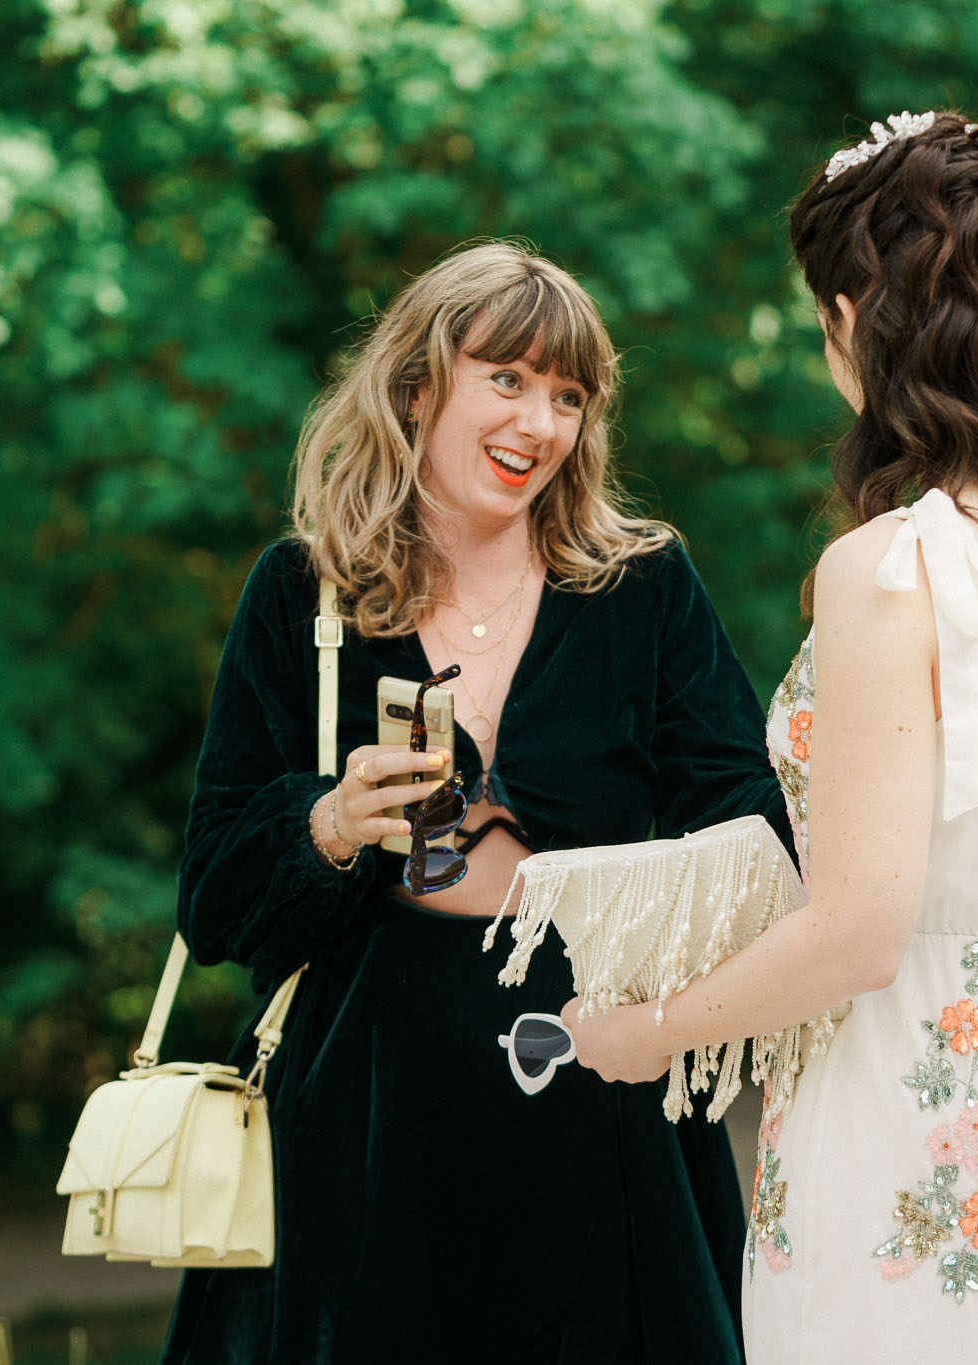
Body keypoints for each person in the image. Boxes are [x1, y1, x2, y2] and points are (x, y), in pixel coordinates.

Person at [564, 112, 978, 1362]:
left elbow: (860, 936)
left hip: (894, 1124)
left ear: (850, 319)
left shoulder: (894, 570)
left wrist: (638, 1034)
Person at [161, 240, 788, 1364]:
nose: (539, 423)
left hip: (599, 1098)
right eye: (505, 379)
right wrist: (333, 823)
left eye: (566, 396)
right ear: (415, 387)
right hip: (369, 1121)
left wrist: (600, 899)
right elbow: (214, 902)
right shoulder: (300, 595)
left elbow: (752, 826)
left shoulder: (640, 587)